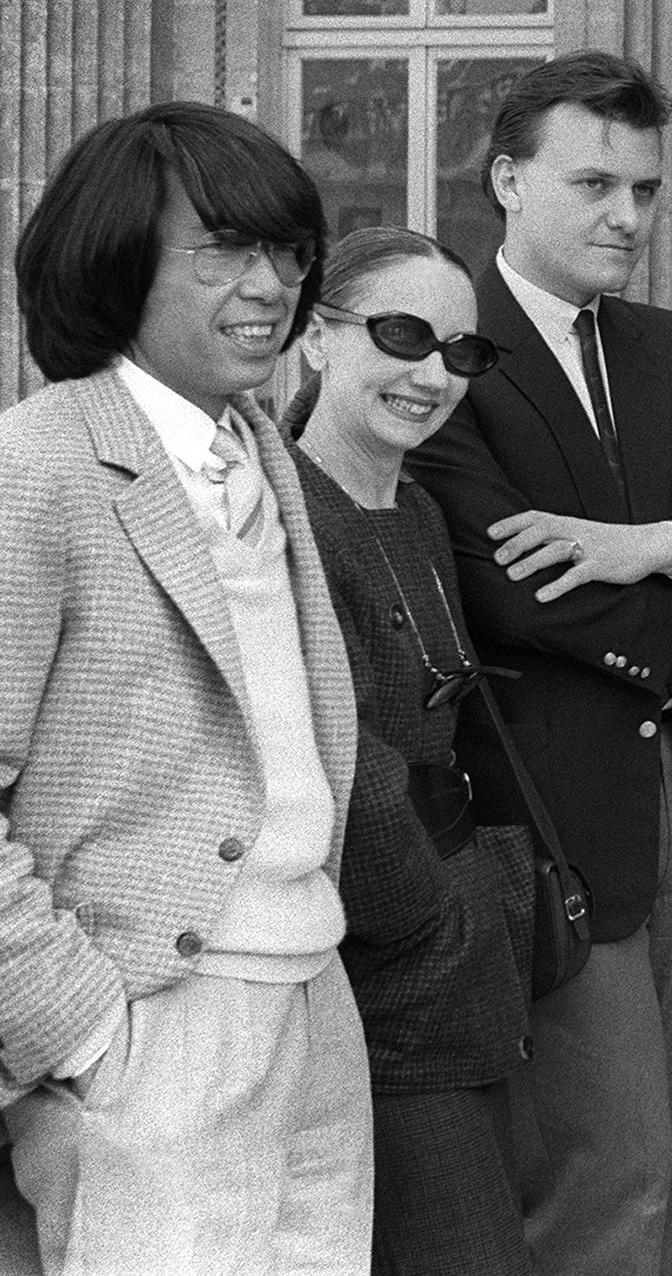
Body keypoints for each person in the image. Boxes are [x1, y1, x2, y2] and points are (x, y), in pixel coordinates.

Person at [405, 51, 672, 1276]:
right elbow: (517, 594)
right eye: (594, 183)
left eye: (644, 190)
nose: (627, 217)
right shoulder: (447, 349)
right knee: (608, 1171)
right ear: (506, 179)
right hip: (538, 815)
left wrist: (657, 543)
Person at [0, 102, 371, 1272]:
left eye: (289, 254)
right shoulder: (39, 464)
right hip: (153, 1017)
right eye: (222, 251)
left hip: (315, 991)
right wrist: (80, 1025)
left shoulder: (259, 446)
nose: (270, 286)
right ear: (116, 262)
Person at [286, 226, 535, 1276]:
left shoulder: (420, 507)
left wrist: (500, 896)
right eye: (401, 334)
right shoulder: (290, 514)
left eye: (462, 352)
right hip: (378, 991)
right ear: (313, 338)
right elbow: (343, 757)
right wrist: (445, 914)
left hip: (466, 972)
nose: (433, 374)